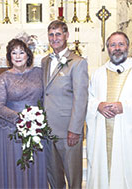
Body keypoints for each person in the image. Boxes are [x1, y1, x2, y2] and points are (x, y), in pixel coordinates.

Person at [86, 31, 132, 189]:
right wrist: (98, 105)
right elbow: (88, 98)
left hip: (128, 140)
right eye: (113, 45)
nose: (117, 48)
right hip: (101, 139)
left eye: (121, 44)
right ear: (108, 49)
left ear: (128, 46)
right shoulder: (98, 74)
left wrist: (124, 106)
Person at [0, 38, 48, 188]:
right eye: (13, 53)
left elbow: (46, 96)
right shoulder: (3, 78)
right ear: (9, 57)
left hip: (36, 128)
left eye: (21, 52)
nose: (17, 56)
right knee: (16, 165)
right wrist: (21, 119)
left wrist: (38, 119)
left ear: (28, 55)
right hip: (12, 129)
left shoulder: (39, 73)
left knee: (35, 163)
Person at [41, 20, 89, 188]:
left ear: (67, 36)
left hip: (68, 130)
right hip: (48, 129)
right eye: (51, 35)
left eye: (58, 34)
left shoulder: (78, 62)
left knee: (73, 176)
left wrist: (75, 129)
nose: (54, 38)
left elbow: (81, 98)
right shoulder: (45, 61)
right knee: (53, 176)